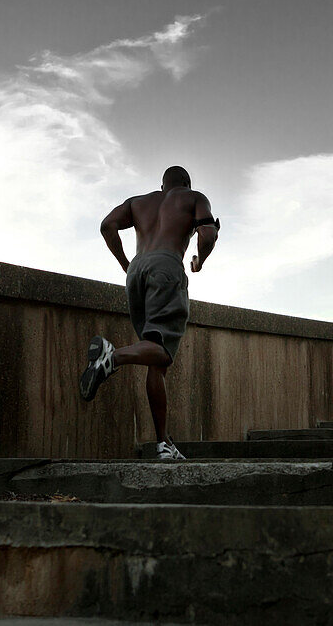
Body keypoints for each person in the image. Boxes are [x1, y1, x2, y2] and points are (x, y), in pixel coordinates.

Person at [78, 165, 219, 460]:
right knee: (163, 351)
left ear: (162, 184)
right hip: (167, 266)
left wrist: (125, 265)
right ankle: (111, 357)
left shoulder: (138, 202)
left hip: (137, 272)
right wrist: (199, 262)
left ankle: (162, 443)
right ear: (186, 183)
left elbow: (107, 226)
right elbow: (207, 234)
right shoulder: (194, 197)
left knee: (155, 358)